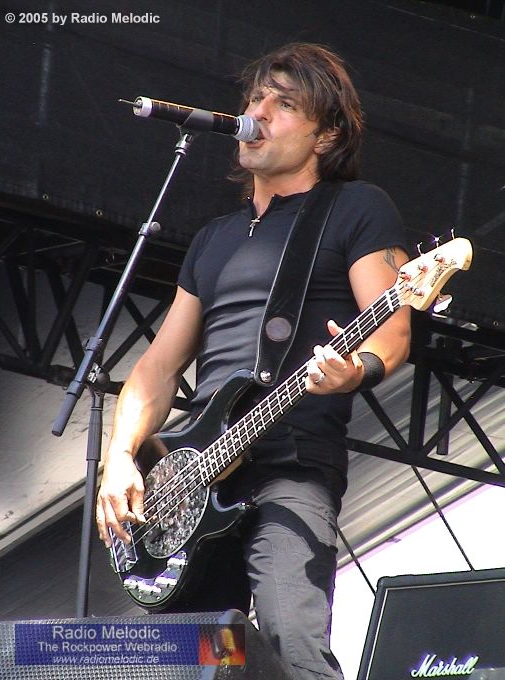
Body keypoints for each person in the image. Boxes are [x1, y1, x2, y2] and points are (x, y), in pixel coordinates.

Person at [96, 42, 411, 680]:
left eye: (283, 103)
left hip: (290, 465)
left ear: (326, 134)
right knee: (195, 660)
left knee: (292, 638)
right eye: (255, 98)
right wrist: (120, 457)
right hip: (191, 482)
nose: (257, 112)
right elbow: (158, 368)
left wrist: (356, 371)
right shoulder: (214, 238)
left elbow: (394, 327)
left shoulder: (356, 208)